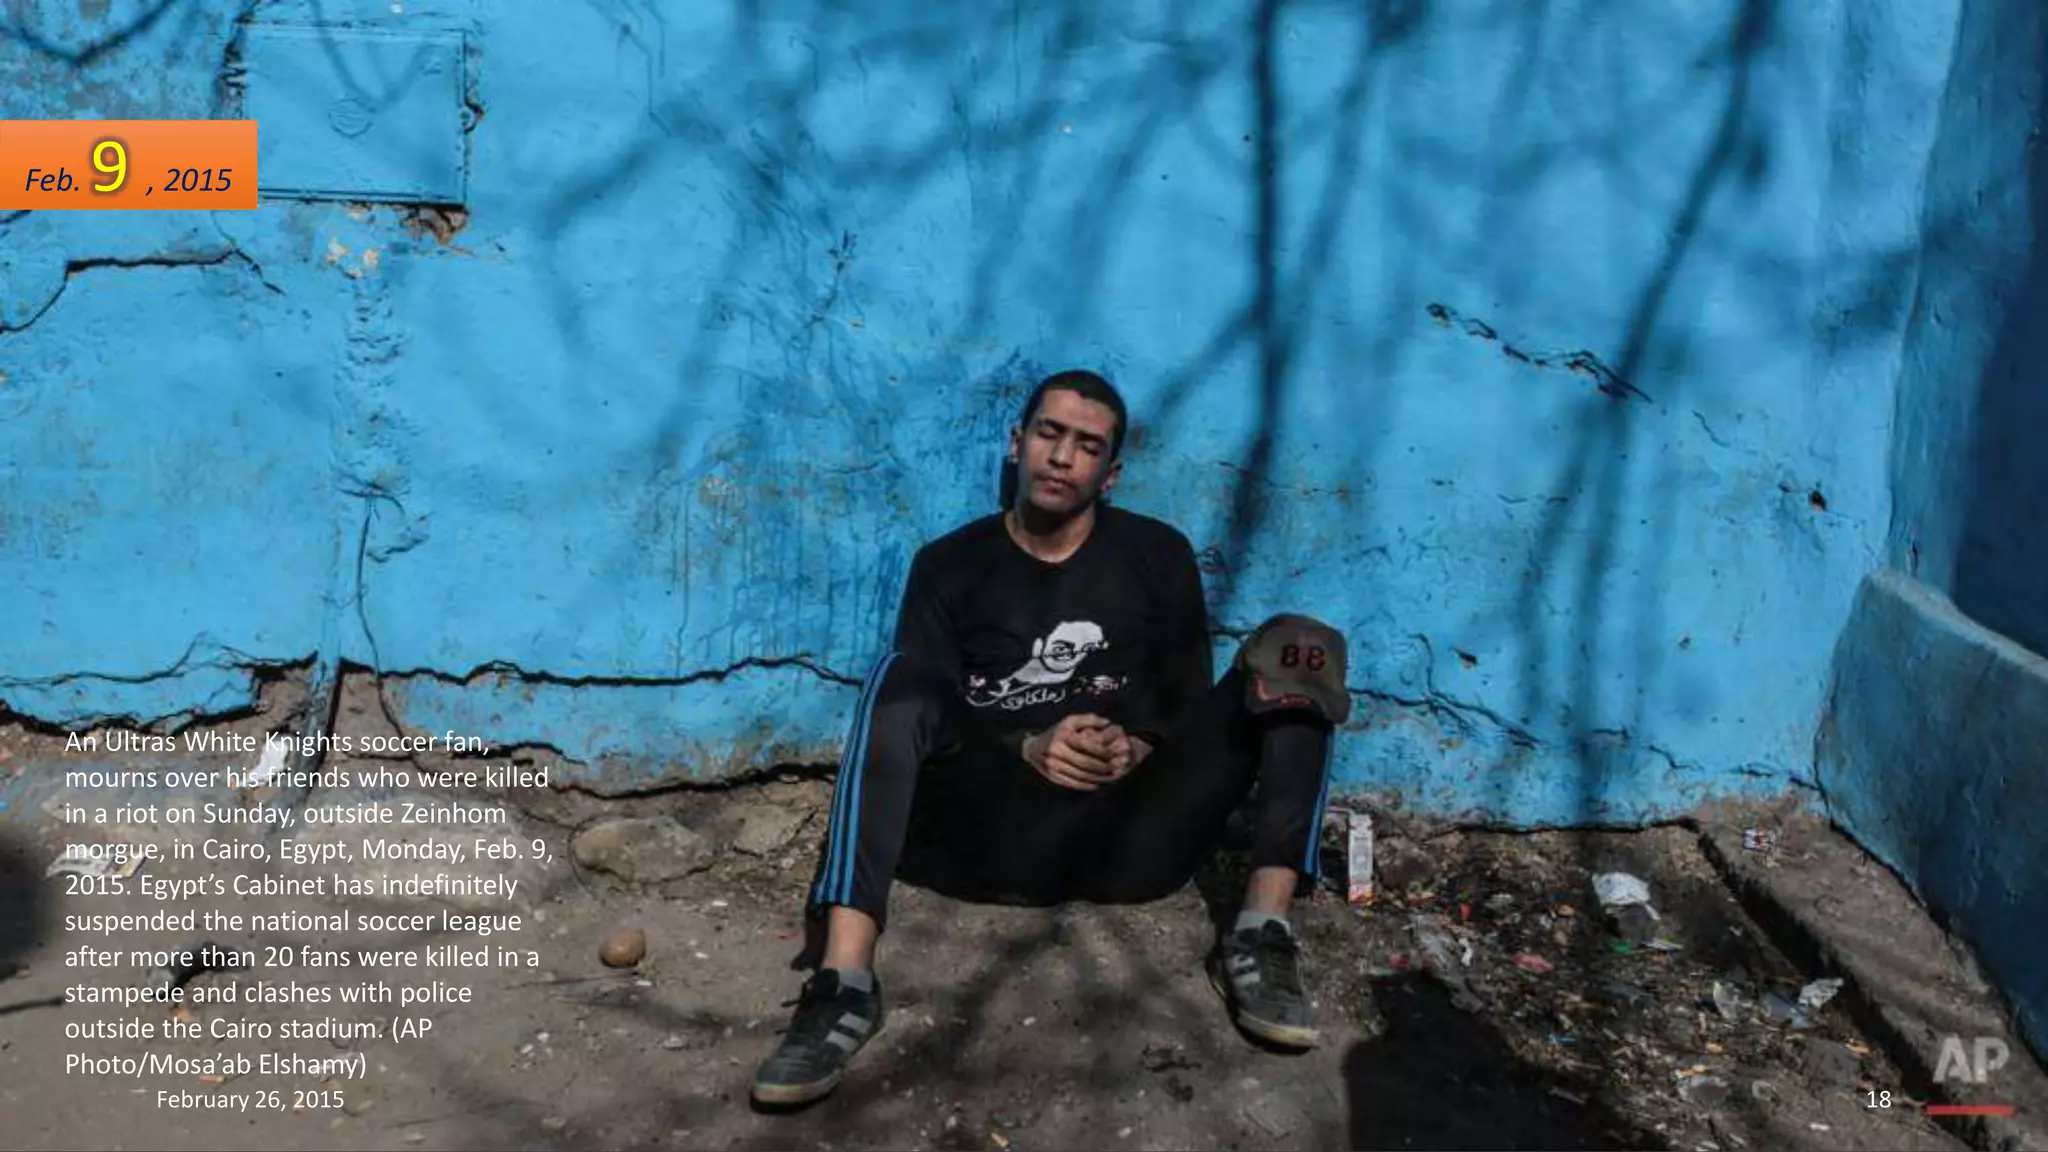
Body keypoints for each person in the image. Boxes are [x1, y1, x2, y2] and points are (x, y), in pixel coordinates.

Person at [751, 369, 1351, 1106]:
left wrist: (1140, 746)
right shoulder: (949, 565)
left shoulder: (1158, 554)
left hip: (1135, 840)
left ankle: (1261, 935)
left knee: (1301, 646)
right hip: (997, 838)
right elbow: (929, 714)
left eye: (1088, 446)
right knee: (894, 677)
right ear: (1017, 443)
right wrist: (1026, 745)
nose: (1063, 457)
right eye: (1049, 434)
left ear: (1110, 474)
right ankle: (842, 982)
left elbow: (1186, 700)